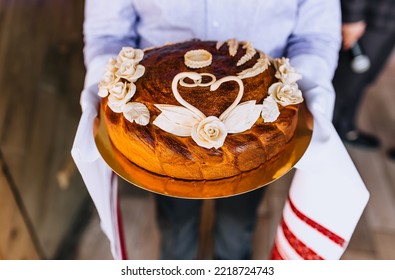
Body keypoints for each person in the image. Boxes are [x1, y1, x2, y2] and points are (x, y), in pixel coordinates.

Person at [82, 0, 341, 259]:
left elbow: (315, 36)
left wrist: (302, 95)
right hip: (156, 134)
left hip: (261, 127)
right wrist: (107, 90)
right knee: (175, 226)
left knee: (238, 226)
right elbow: (107, 34)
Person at [332, 0, 395, 155]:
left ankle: (346, 128)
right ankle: (331, 137)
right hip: (369, 16)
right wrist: (352, 16)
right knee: (348, 79)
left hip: (388, 18)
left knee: (365, 77)